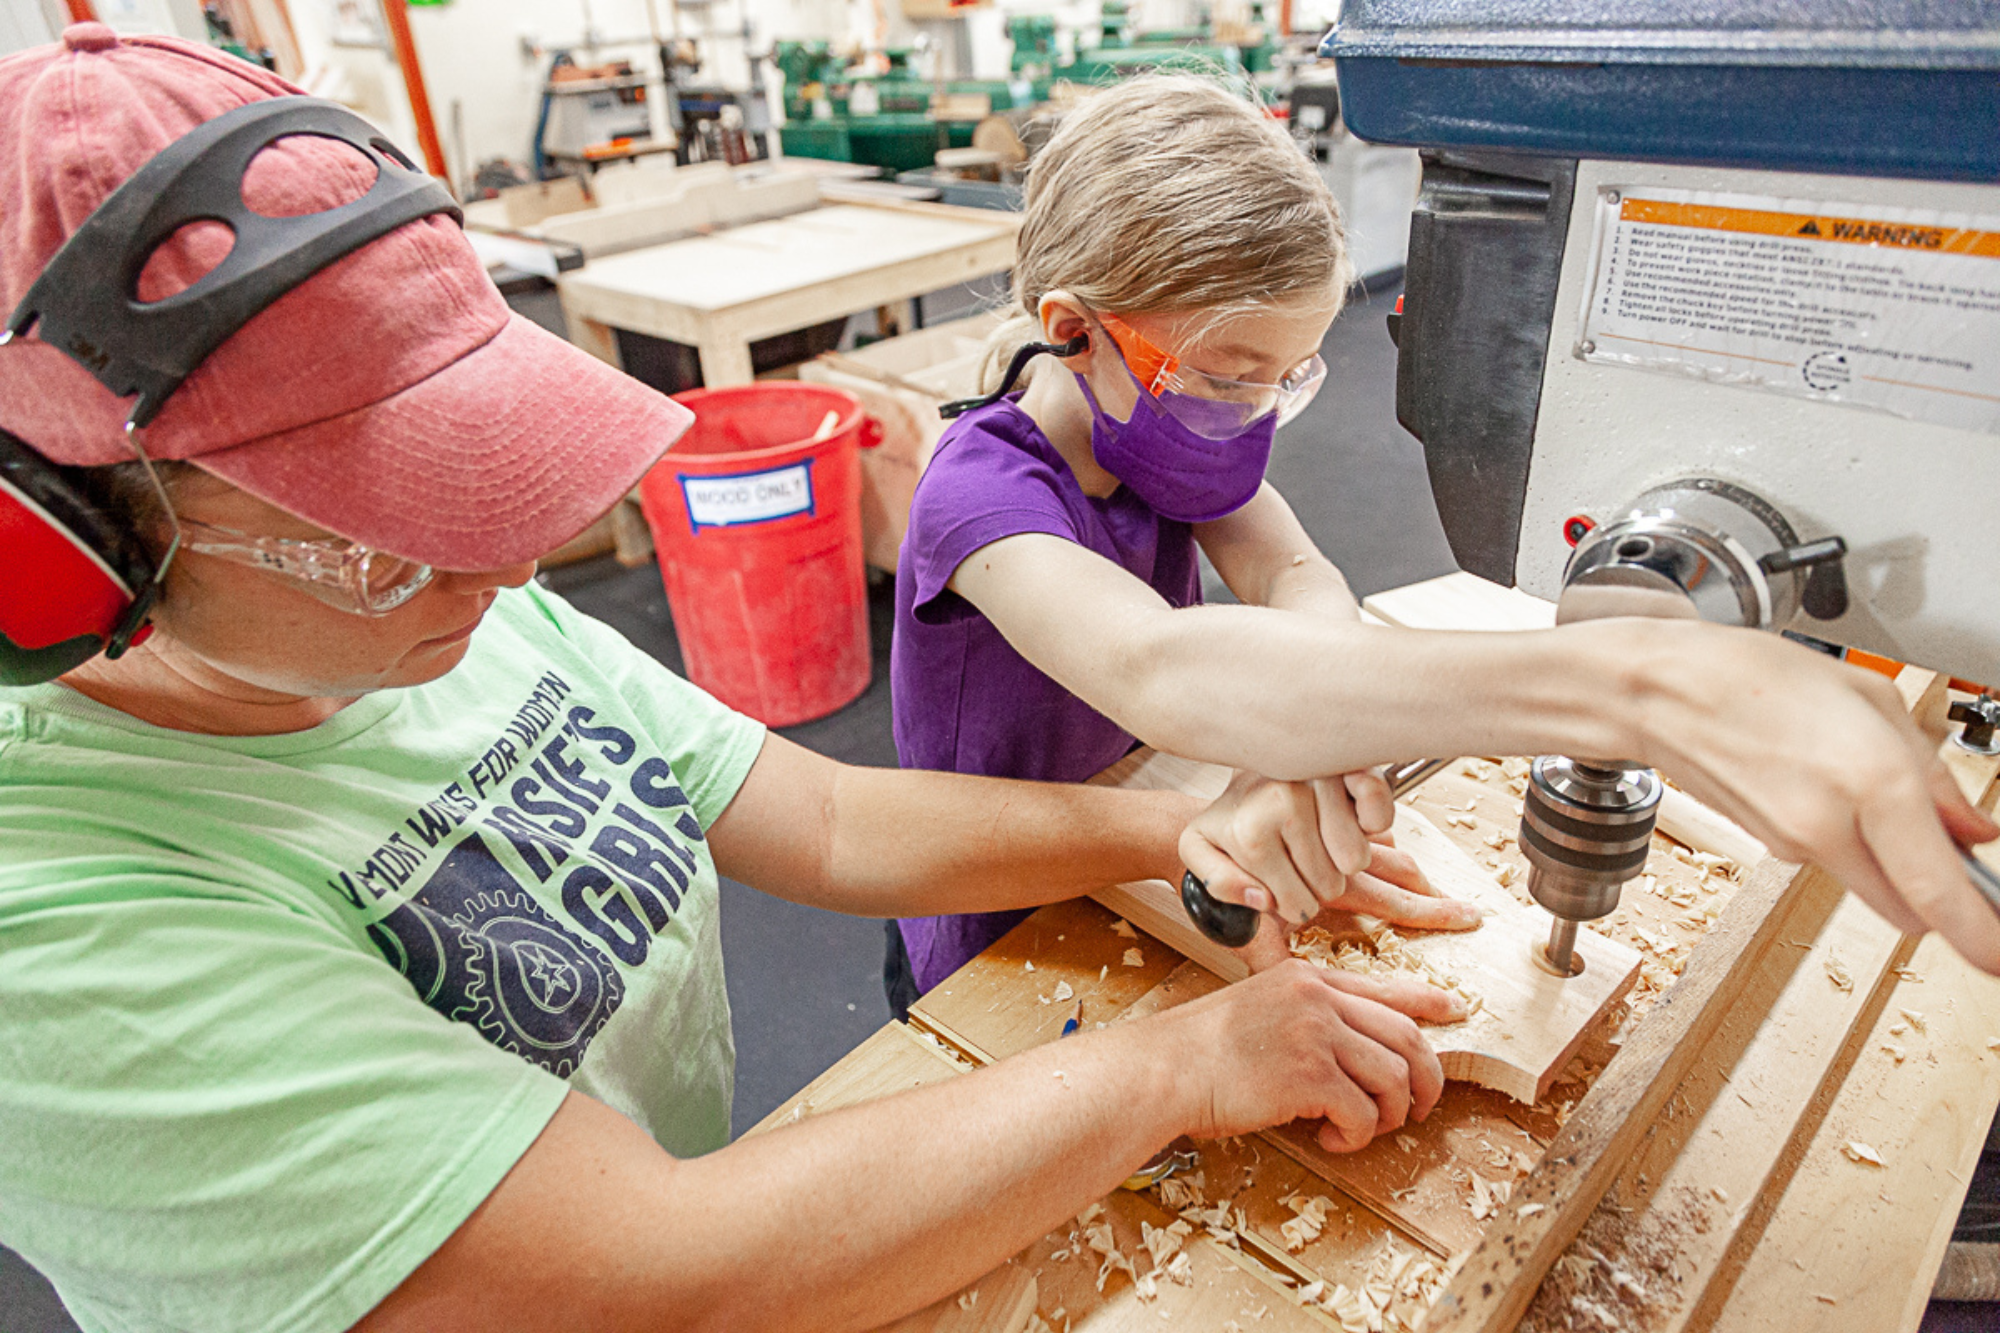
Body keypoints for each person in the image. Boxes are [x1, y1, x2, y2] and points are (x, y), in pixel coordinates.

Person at [0, 29, 1461, 1333]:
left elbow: (818, 820)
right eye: (387, 542)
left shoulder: (439, 626)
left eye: (488, 493)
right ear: (63, 555)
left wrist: (1164, 834)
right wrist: (1185, 1065)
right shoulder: (52, 934)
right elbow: (669, 1270)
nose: (506, 579)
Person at [889, 71, 2000, 1004]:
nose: (1250, 414)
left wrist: (1300, 746)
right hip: (1004, 900)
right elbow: (1160, 669)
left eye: (1287, 379)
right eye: (1230, 380)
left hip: (1156, 828)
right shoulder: (977, 498)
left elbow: (1292, 571)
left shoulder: (1162, 421)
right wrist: (1633, 683)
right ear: (1074, 332)